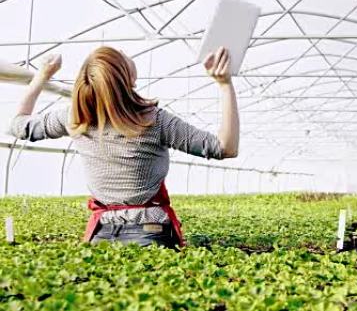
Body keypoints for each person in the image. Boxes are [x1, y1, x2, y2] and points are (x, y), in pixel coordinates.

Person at [9, 46, 239, 248]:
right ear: (127, 79)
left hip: (101, 233)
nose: (126, 53)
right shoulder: (154, 120)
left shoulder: (75, 119)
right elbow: (225, 147)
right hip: (151, 230)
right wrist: (225, 84)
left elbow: (19, 126)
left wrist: (43, 75)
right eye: (121, 56)